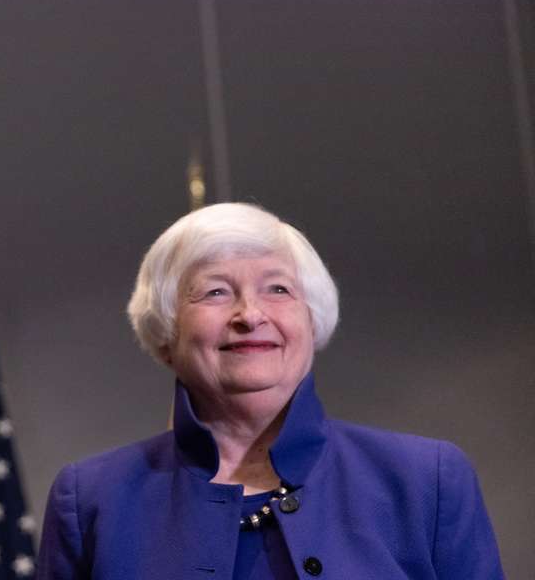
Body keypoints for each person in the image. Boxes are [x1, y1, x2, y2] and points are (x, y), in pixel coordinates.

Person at [36, 203, 504, 579]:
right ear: (165, 333)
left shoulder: (426, 482)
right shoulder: (92, 501)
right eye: (215, 292)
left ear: (312, 321)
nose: (250, 314)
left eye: (278, 289)